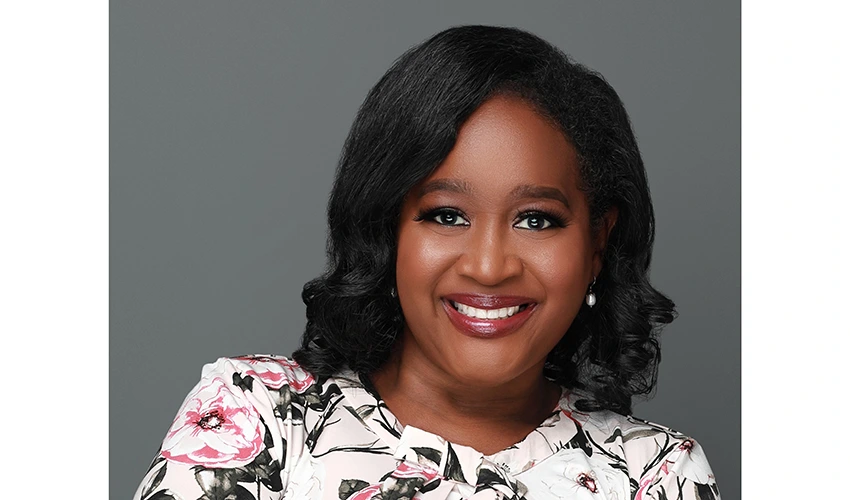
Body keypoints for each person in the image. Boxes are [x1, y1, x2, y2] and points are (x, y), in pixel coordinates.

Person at [133, 25, 720, 500]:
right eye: (446, 215)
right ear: (386, 229)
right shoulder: (257, 423)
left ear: (596, 244)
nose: (488, 267)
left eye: (536, 220)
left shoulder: (655, 477)